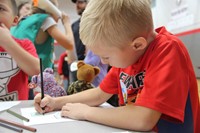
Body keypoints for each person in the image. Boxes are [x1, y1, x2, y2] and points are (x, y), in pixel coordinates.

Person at [34, 0, 200, 132]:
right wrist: (56, 102)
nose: (104, 62)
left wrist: (86, 112)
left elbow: (144, 119)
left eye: (106, 56)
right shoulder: (128, 55)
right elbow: (100, 94)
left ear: (137, 45)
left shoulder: (168, 49)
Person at [0, 0, 40, 101]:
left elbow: (36, 70)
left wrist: (8, 43)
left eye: (1, 9)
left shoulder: (24, 45)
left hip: (16, 112)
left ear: (15, 20)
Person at [69, 0, 88, 83]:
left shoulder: (94, 22)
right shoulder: (74, 25)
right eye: (76, 3)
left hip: (90, 63)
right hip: (76, 63)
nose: (77, 5)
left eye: (80, 2)